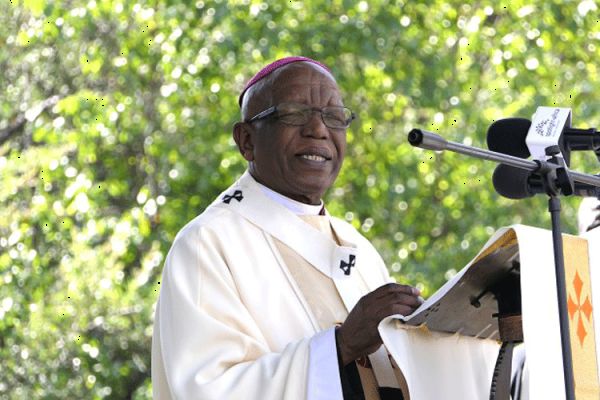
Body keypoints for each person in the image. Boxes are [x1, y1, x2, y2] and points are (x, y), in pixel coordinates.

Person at [151, 56, 423, 400]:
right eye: (294, 113)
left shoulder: (358, 249)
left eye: (335, 117)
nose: (318, 130)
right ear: (246, 140)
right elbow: (208, 389)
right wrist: (340, 346)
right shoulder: (208, 243)